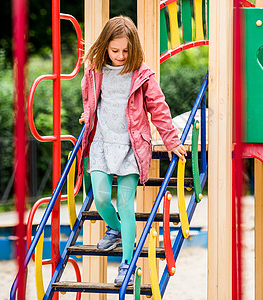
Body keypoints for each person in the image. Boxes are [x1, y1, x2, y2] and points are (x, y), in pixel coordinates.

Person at [78, 16, 186, 286]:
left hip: (131, 146)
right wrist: (87, 116)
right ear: (105, 46)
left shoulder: (142, 74)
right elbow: (92, 101)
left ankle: (127, 263)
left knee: (126, 203)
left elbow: (159, 108)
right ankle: (113, 228)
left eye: (126, 51)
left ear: (133, 48)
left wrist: (171, 140)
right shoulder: (94, 70)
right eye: (114, 50)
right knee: (101, 198)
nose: (120, 56)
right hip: (102, 142)